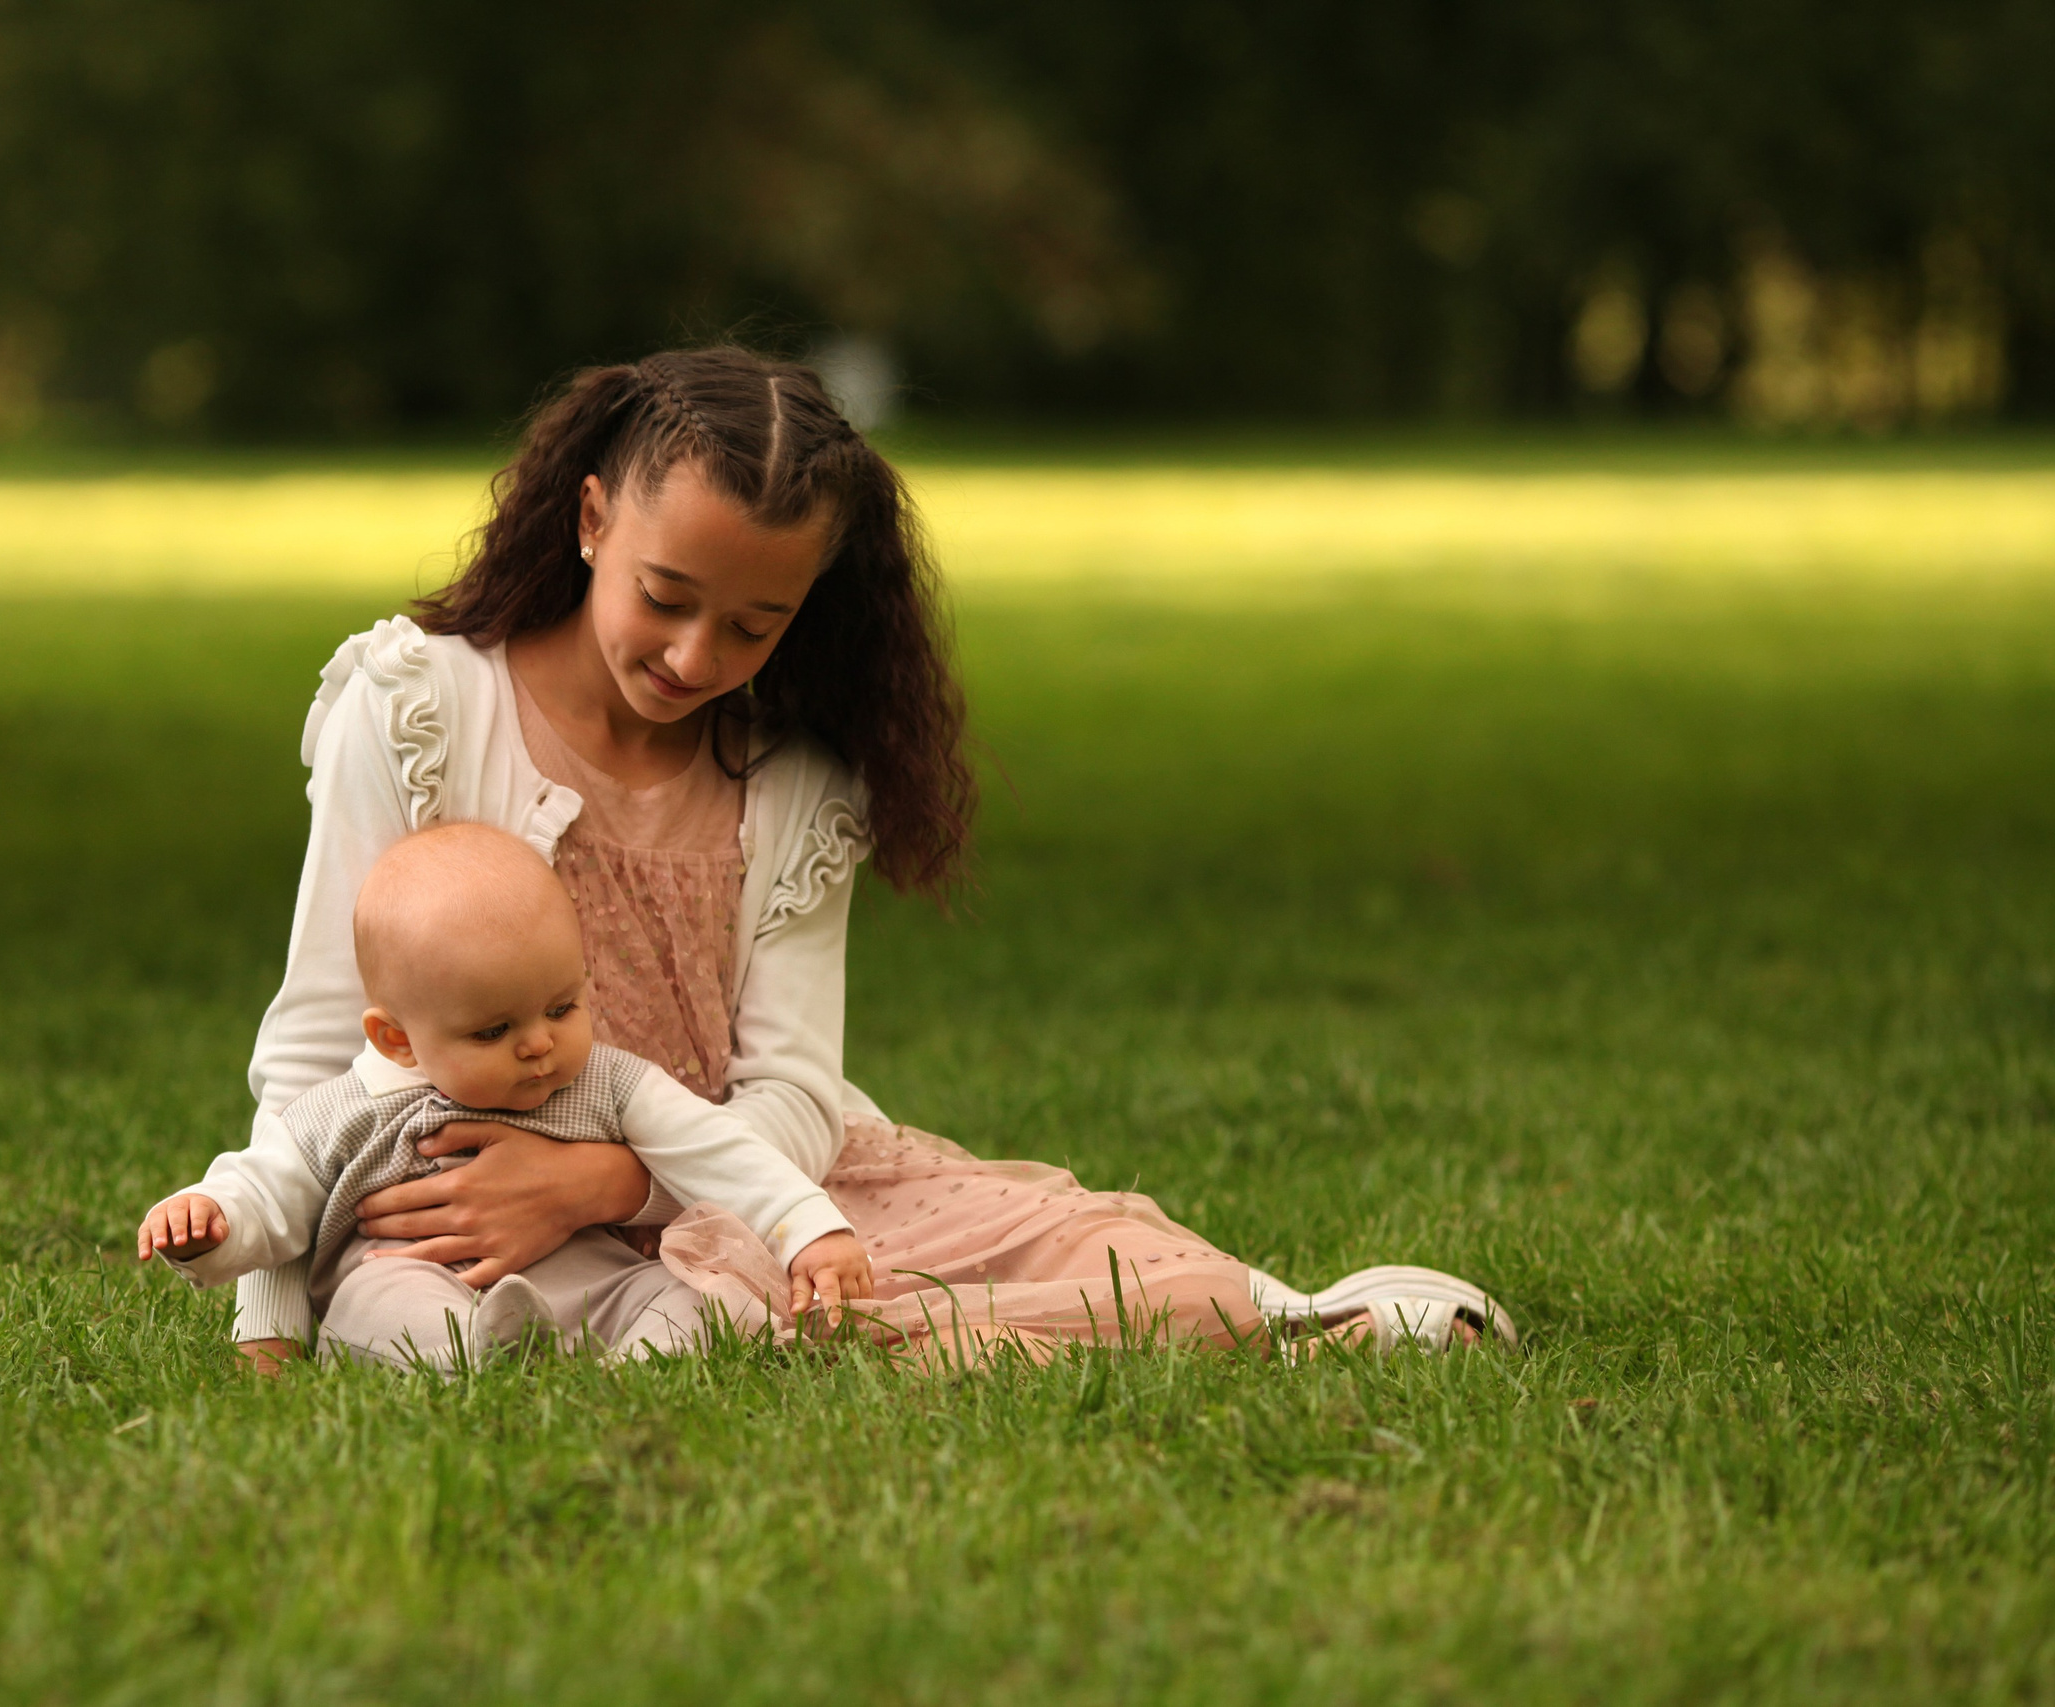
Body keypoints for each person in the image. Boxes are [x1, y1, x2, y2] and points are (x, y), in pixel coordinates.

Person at [224, 346, 1512, 1373]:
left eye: (753, 624)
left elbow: (792, 1090)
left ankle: (1300, 1318)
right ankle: (1283, 1342)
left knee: (1046, 1244)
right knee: (807, 1335)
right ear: (591, 519)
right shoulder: (419, 708)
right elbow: (317, 1045)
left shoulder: (790, 780)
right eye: (665, 597)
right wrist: (269, 1315)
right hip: (465, 1212)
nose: (694, 656)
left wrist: (606, 1180)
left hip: (731, 1184)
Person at [135, 822, 873, 1369]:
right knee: (379, 1307)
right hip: (412, 1275)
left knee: (691, 1297)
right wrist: (212, 1219)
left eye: (561, 1007)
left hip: (587, 1280)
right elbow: (268, 1193)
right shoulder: (343, 1111)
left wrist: (809, 1227)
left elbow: (718, 1150)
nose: (539, 1044)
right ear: (397, 1039)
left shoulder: (607, 1082)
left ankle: (637, 1363)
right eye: (494, 1030)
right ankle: (470, 1353)